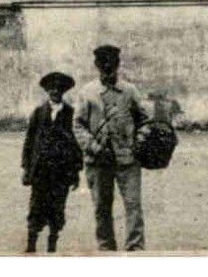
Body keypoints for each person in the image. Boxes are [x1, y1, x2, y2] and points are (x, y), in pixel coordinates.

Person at [71, 44, 149, 252]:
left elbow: (144, 121)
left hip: (127, 160)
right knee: (101, 208)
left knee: (133, 206)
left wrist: (137, 143)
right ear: (97, 65)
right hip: (98, 162)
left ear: (118, 64)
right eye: (103, 64)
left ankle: (135, 248)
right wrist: (94, 147)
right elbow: (78, 125)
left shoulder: (130, 91)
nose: (108, 68)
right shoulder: (87, 93)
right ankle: (106, 249)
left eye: (112, 63)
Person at [20, 71, 82, 254]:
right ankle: (31, 245)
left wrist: (76, 171)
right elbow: (29, 142)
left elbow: (77, 143)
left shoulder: (71, 113)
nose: (55, 91)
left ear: (64, 91)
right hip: (40, 170)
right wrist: (26, 168)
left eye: (59, 89)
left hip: (61, 172)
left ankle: (52, 246)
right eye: (51, 88)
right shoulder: (39, 113)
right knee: (36, 205)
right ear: (47, 90)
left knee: (57, 207)